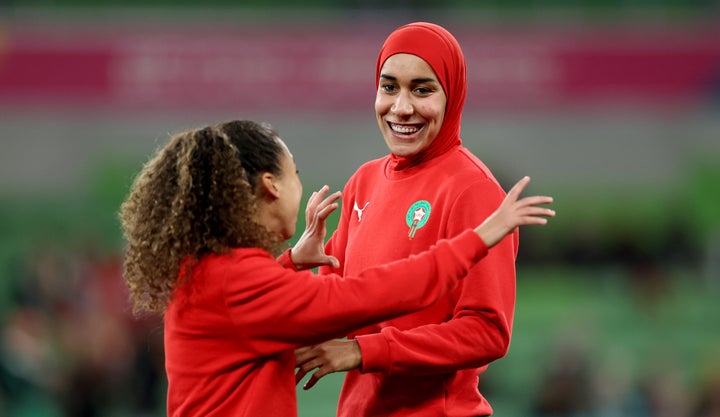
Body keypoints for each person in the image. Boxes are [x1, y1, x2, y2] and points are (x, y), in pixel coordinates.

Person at [118, 119, 554, 417]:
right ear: (270, 186)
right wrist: (479, 237)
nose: (300, 186)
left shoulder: (211, 270)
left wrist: (290, 262)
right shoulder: (239, 280)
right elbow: (373, 295)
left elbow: (249, 313)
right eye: (295, 174)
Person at [292, 22, 527, 416]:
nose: (401, 107)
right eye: (389, 87)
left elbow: (487, 332)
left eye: (422, 89)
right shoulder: (363, 183)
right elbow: (337, 313)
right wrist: (301, 265)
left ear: (452, 95)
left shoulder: (474, 191)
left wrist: (364, 350)